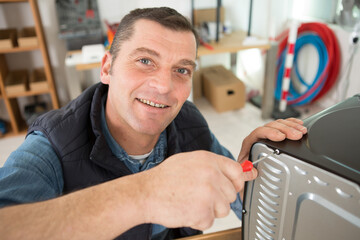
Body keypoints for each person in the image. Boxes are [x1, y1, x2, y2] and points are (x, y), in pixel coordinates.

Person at [0, 7, 307, 240]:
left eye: (182, 70)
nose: (163, 86)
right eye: (145, 61)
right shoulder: (52, 145)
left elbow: (241, 198)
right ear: (107, 68)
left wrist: (252, 166)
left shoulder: (189, 124)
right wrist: (144, 194)